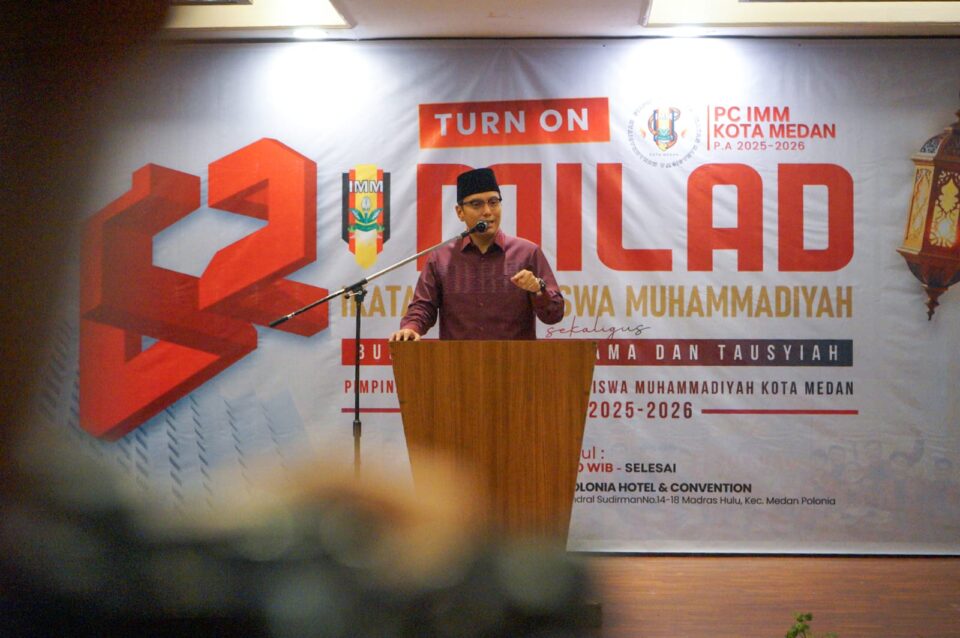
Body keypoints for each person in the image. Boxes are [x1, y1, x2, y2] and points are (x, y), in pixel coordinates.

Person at [389, 167, 564, 341]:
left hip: (515, 358)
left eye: (493, 202)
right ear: (460, 212)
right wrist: (411, 328)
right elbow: (423, 307)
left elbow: (554, 315)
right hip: (458, 358)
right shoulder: (441, 258)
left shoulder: (527, 253)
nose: (487, 211)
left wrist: (538, 289)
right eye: (476, 204)